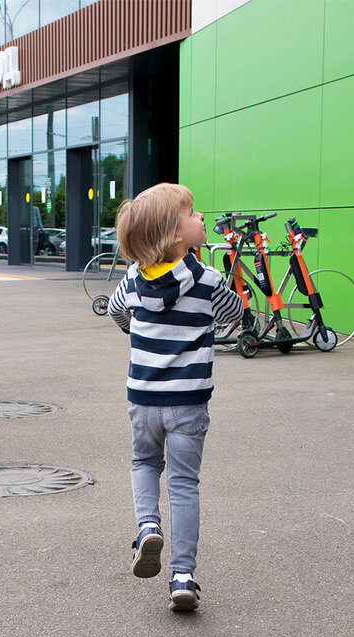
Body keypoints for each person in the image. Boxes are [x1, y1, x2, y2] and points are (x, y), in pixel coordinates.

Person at [107, 183, 242, 612]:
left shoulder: (131, 279)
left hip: (143, 399)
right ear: (175, 234)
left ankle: (148, 526)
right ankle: (182, 577)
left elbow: (116, 312)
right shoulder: (207, 281)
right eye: (193, 212)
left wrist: (141, 328)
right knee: (184, 485)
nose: (201, 217)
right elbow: (236, 315)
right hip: (188, 404)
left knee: (144, 463)